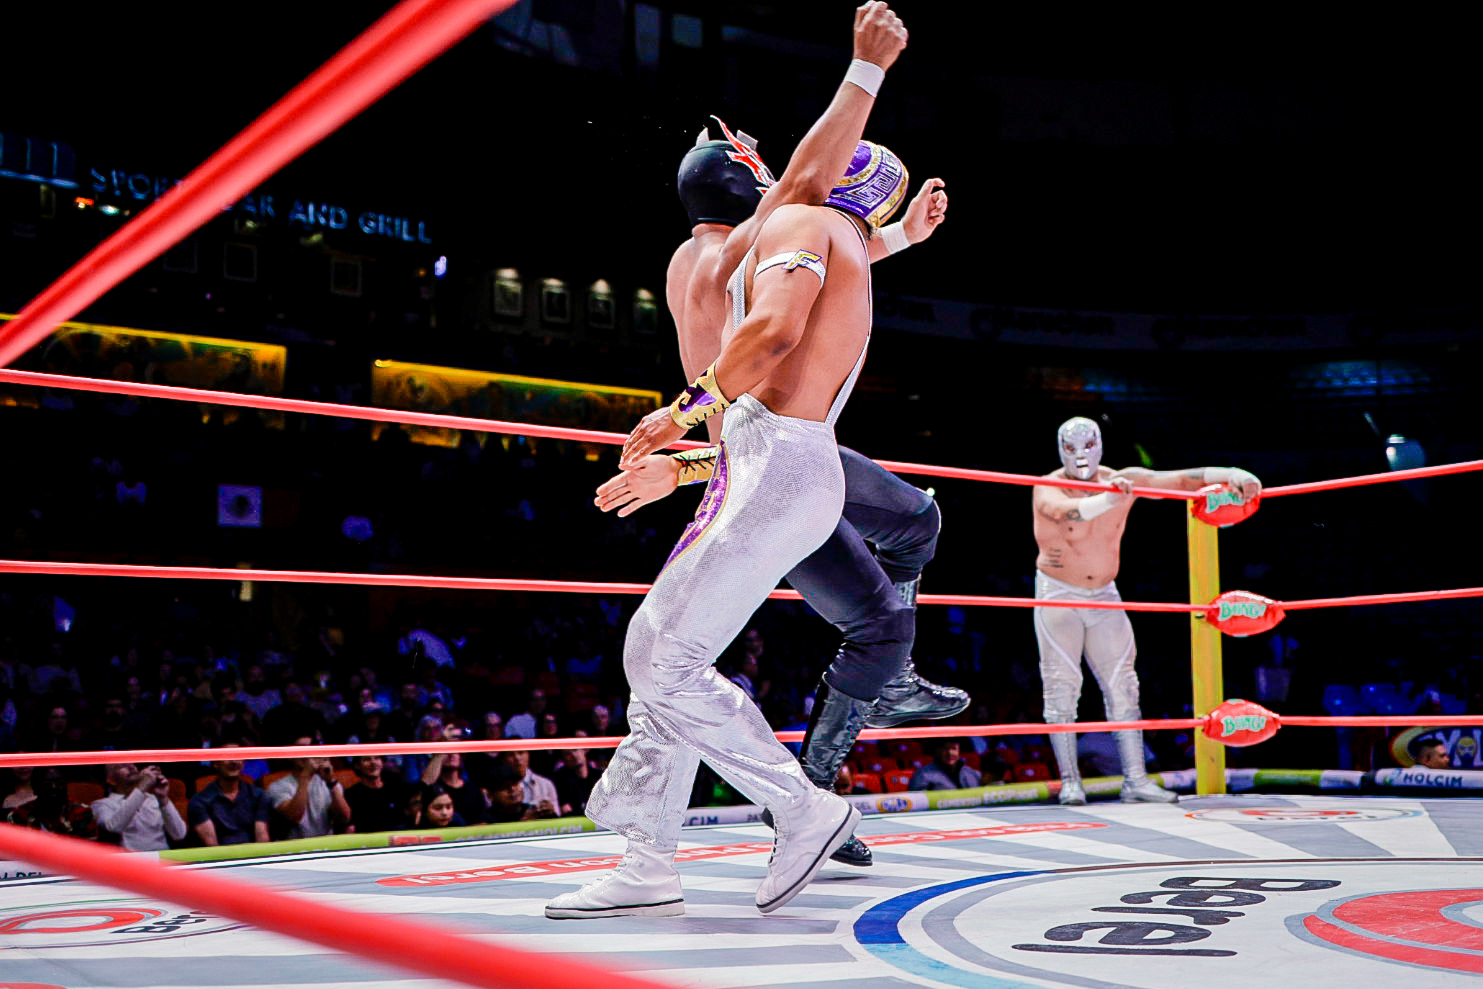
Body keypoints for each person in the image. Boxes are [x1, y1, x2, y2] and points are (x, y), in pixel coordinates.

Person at [549, 2, 915, 922]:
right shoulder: (792, 236)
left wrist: (682, 413)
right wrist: (685, 460)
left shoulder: (794, 230)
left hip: (778, 462)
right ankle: (650, 857)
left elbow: (769, 336)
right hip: (764, 461)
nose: (772, 163)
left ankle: (803, 808)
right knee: (668, 653)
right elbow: (803, 216)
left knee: (661, 654)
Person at [1033, 416, 1263, 804]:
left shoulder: (1124, 478)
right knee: (1061, 689)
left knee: (1125, 686)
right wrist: (1109, 498)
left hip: (1104, 593)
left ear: (1100, 445)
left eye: (1087, 445)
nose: (1080, 456)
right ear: (1060, 449)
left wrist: (1232, 474)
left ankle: (1135, 780)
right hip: (1057, 593)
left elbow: (1179, 481)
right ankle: (1071, 781)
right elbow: (1066, 512)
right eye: (1070, 448)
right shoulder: (1047, 486)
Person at [266, 735, 351, 839]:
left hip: (326, 844)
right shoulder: (277, 787)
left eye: (310, 748)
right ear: (290, 755)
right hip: (294, 845)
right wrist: (305, 776)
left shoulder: (328, 782)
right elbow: (295, 817)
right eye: (301, 748)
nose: (306, 753)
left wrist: (331, 782)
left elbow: (344, 818)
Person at [91, 763, 188, 851]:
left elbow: (179, 834)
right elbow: (114, 828)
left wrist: (163, 798)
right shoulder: (102, 805)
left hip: (161, 859)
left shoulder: (154, 799)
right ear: (110, 780)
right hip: (130, 862)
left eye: (131, 764)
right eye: (120, 766)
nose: (130, 767)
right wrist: (142, 788)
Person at [188, 745, 271, 845]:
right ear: (216, 763)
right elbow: (211, 845)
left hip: (254, 853)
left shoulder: (259, 795)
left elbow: (262, 837)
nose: (234, 761)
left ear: (243, 763)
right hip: (220, 854)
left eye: (237, 756)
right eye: (228, 756)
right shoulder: (199, 801)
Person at [344, 755, 404, 834]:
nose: (373, 762)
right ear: (357, 765)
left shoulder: (396, 790)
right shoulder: (351, 795)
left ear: (382, 763)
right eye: (367, 759)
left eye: (376, 758)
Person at [908, 739, 982, 791]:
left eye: (954, 748)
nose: (950, 753)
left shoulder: (971, 773)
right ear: (937, 751)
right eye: (945, 749)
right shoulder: (923, 775)